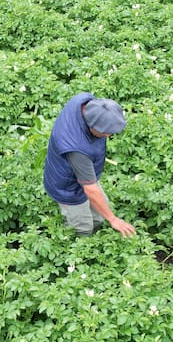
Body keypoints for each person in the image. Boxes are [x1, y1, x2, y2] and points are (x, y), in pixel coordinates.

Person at [42, 92, 136, 238]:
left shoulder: (83, 101)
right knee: (82, 228)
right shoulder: (77, 148)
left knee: (99, 216)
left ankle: (95, 236)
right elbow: (91, 189)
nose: (108, 136)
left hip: (77, 172)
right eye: (105, 132)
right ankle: (77, 250)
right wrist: (113, 219)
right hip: (67, 187)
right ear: (91, 125)